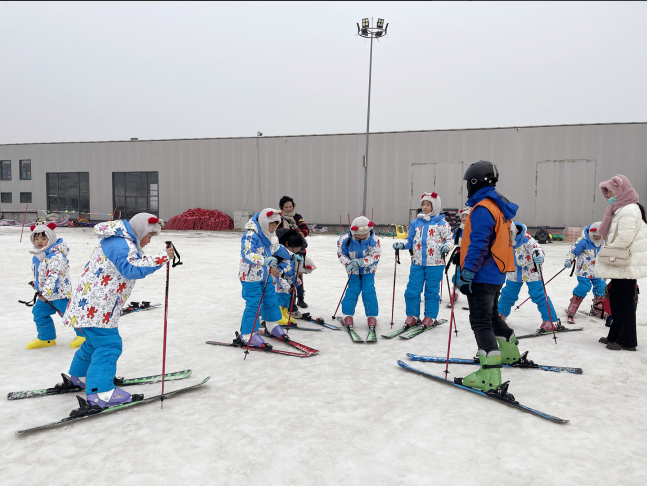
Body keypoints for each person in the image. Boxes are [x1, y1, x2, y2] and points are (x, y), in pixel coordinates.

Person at [59, 214, 173, 415]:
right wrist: (162, 256)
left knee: (93, 343)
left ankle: (81, 377)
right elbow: (130, 269)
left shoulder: (115, 239)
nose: (147, 242)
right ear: (141, 230)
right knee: (108, 345)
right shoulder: (123, 244)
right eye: (149, 236)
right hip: (97, 308)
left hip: (89, 305)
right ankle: (100, 393)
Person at [454, 160, 520, 393]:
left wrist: (467, 272)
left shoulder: (483, 208)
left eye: (467, 183)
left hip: (482, 274)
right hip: (496, 273)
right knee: (491, 317)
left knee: (480, 321)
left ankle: (490, 373)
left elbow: (479, 244)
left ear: (474, 182)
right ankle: (510, 352)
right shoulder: (498, 206)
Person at [235, 209, 303, 348]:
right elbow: (246, 253)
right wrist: (264, 260)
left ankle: (271, 325)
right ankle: (247, 334)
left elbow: (277, 248)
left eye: (276, 225)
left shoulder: (270, 234)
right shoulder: (250, 235)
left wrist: (290, 256)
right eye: (272, 224)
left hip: (265, 275)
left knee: (270, 300)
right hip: (250, 276)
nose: (274, 228)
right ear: (265, 222)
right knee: (254, 304)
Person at [596, 175, 647, 351]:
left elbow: (624, 238)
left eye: (611, 191)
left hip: (626, 263)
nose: (609, 195)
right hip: (622, 262)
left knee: (624, 302)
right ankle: (616, 334)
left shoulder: (629, 209)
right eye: (607, 192)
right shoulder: (619, 209)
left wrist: (607, 249)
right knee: (617, 300)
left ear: (621, 190)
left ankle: (628, 340)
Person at [393, 192, 453, 328]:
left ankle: (430, 317)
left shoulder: (442, 224)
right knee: (412, 290)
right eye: (423, 204)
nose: (425, 207)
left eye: (428, 204)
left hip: (435, 264)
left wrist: (447, 246)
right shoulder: (415, 223)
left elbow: (450, 240)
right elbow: (410, 241)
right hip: (418, 263)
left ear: (435, 206)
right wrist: (402, 245)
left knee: (431, 292)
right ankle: (412, 315)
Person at [26, 222, 84, 349]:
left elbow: (53, 276)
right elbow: (41, 275)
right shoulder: (40, 255)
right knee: (39, 312)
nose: (39, 241)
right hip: (46, 295)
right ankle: (46, 338)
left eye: (43, 238)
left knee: (69, 314)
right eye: (36, 238)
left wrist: (45, 293)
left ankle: (84, 335)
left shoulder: (56, 256)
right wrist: (38, 287)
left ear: (51, 238)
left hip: (60, 294)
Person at [497, 222, 561, 331]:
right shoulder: (503, 239)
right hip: (514, 272)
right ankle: (500, 315)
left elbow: (536, 248)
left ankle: (551, 320)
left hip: (531, 271)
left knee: (538, 295)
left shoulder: (526, 238)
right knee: (508, 294)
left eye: (509, 232)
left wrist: (538, 256)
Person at [337, 216, 381, 332]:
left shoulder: (374, 241)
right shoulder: (345, 240)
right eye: (359, 235)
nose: (362, 236)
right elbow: (341, 254)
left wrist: (362, 262)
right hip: (353, 271)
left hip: (368, 271)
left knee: (369, 291)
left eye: (364, 234)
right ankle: (347, 315)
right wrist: (348, 264)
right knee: (352, 291)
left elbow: (375, 256)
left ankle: (372, 316)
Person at [564, 222, 606, 323]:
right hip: (584, 271)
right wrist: (569, 260)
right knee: (584, 287)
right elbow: (573, 251)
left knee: (601, 287)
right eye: (595, 236)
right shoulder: (583, 241)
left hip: (598, 271)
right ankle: (572, 309)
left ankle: (598, 310)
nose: (597, 238)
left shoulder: (604, 242)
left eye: (599, 236)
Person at [278, 196, 310, 308]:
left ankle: (300, 298)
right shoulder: (278, 217)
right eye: (286, 207)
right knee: (287, 274)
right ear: (281, 207)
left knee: (298, 273)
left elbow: (306, 229)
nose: (288, 209)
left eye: (290, 206)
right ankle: (290, 301)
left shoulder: (297, 216)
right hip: (285, 250)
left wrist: (298, 236)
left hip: (299, 248)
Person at [274, 228, 306, 325]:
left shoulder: (292, 259)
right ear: (287, 245)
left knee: (286, 300)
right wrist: (286, 285)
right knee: (279, 300)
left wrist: (297, 282)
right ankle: (277, 316)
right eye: (293, 251)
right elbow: (278, 275)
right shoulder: (280, 259)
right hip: (279, 286)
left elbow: (293, 272)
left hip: (288, 286)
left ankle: (284, 313)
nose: (294, 254)